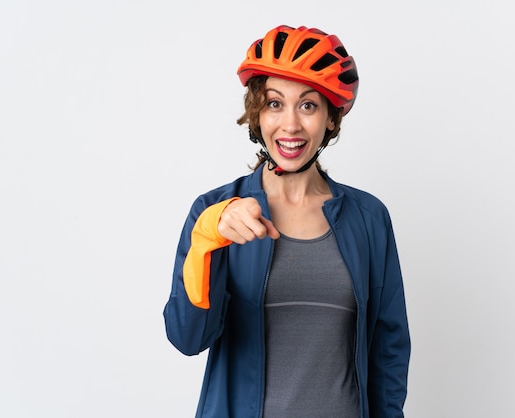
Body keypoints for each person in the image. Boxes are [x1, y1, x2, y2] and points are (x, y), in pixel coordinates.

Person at [163, 24, 411, 418]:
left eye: (308, 105)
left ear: (331, 117)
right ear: (257, 114)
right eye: (275, 103)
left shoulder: (368, 219)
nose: (291, 124)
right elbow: (187, 337)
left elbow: (389, 351)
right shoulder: (216, 212)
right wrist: (206, 240)